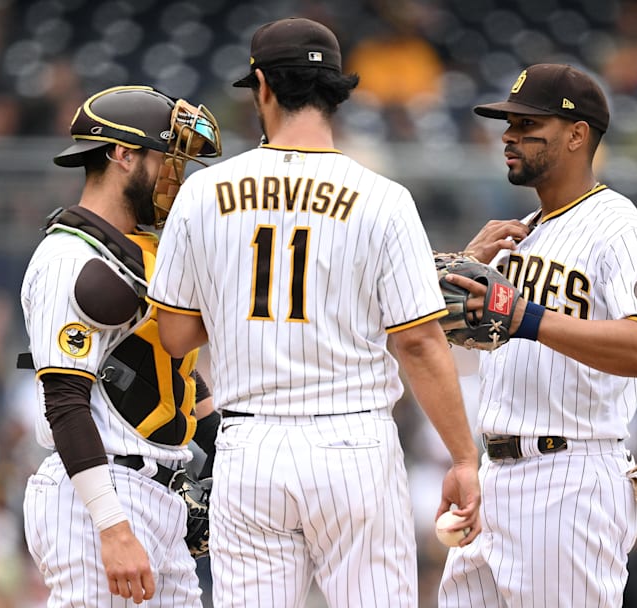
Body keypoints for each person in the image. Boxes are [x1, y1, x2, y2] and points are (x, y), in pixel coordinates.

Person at [145, 17, 481, 608]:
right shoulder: (383, 197)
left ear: (262, 86)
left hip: (250, 442)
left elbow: (173, 336)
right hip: (353, 443)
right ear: (336, 92)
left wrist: (239, 311)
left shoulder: (204, 192)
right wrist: (461, 455)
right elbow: (421, 344)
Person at [437, 63, 637, 607]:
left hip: (569, 478)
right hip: (496, 474)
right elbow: (454, 331)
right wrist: (461, 265)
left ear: (577, 134)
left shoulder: (622, 229)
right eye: (509, 124)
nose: (509, 135)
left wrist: (530, 317)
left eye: (528, 125)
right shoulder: (521, 234)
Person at [19, 84, 222, 605]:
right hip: (97, 495)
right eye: (167, 159)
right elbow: (64, 401)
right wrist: (112, 527)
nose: (175, 177)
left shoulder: (141, 252)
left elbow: (167, 369)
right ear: (123, 154)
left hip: (156, 493)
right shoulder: (70, 259)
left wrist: (218, 458)